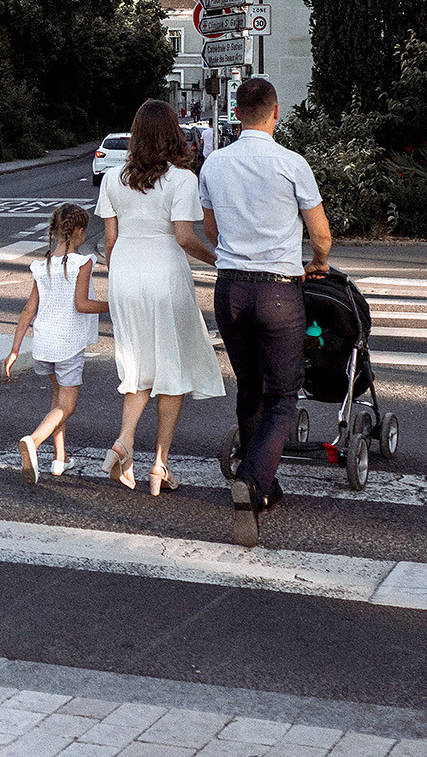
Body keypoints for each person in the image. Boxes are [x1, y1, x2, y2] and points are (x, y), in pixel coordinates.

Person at [198, 75, 332, 548]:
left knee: (250, 387)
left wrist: (236, 249)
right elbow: (321, 234)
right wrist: (318, 263)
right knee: (282, 397)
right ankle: (252, 481)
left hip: (230, 290)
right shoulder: (292, 163)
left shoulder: (214, 163)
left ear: (236, 113)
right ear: (277, 112)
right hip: (278, 291)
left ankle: (264, 487)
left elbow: (211, 229)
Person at [97, 99, 224, 494]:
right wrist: (219, 260)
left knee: (137, 366)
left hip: (125, 276)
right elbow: (185, 238)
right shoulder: (182, 180)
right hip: (164, 275)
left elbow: (110, 241)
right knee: (171, 370)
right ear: (173, 134)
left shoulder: (113, 178)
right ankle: (159, 465)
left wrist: (118, 280)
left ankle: (124, 442)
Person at [4, 204, 109, 485]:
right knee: (67, 406)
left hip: (44, 343)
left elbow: (29, 310)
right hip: (68, 344)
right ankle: (34, 440)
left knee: (57, 400)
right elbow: (82, 304)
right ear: (80, 232)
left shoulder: (42, 265)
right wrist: (114, 305)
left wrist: (15, 350)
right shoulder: (82, 263)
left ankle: (60, 458)